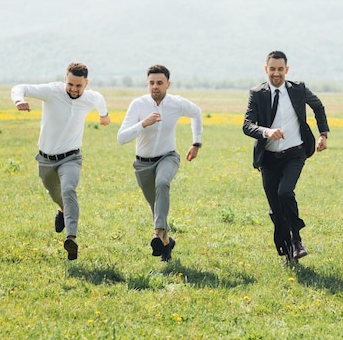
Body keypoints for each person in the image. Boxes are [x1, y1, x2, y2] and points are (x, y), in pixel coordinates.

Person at [11, 62, 110, 260]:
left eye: (79, 86)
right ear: (65, 79)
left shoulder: (91, 97)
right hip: (46, 159)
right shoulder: (51, 92)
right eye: (70, 84)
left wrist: (104, 116)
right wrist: (18, 100)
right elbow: (19, 87)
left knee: (68, 190)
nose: (74, 89)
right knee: (56, 194)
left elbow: (100, 100)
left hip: (71, 157)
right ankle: (62, 210)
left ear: (86, 83)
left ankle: (71, 238)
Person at [243, 50, 329, 263]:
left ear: (286, 70)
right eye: (272, 69)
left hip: (295, 153)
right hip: (269, 158)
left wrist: (323, 134)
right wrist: (266, 131)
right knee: (275, 210)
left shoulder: (298, 89)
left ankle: (297, 239)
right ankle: (289, 251)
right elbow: (247, 125)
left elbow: (318, 106)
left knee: (285, 192)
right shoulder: (257, 94)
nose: (276, 73)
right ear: (266, 69)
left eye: (280, 69)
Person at [117, 64, 202, 262]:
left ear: (168, 84)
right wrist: (143, 124)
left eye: (160, 83)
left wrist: (196, 142)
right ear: (147, 84)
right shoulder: (138, 105)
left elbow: (197, 112)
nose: (155, 86)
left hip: (168, 157)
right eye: (152, 83)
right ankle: (166, 244)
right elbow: (121, 138)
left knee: (163, 183)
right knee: (156, 208)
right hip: (142, 164)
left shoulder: (176, 103)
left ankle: (156, 234)